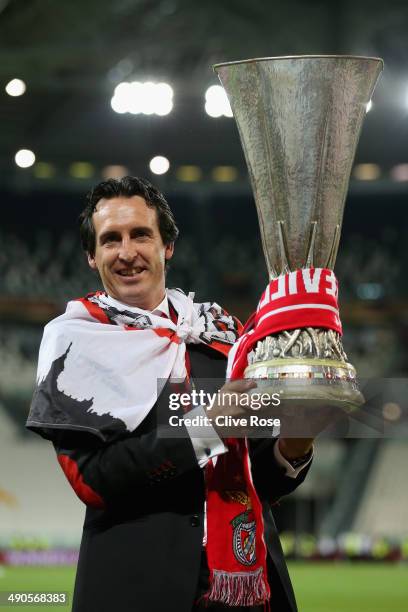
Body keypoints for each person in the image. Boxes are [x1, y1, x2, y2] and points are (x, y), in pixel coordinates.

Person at [27, 176, 314, 612]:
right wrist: (205, 428)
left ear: (167, 247)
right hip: (138, 583)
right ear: (91, 255)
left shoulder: (218, 333)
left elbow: (260, 480)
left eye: (141, 234)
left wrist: (293, 448)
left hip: (248, 583)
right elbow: (95, 481)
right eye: (110, 240)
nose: (127, 252)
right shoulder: (74, 344)